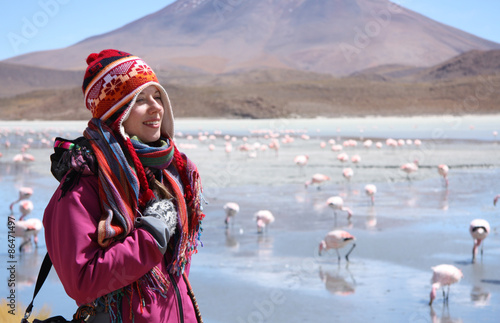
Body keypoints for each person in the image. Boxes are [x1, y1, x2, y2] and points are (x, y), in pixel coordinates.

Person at [43, 49, 205, 323]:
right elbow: (81, 283)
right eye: (139, 99)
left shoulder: (172, 175)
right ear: (116, 113)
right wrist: (150, 237)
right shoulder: (82, 186)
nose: (156, 107)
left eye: (157, 95)